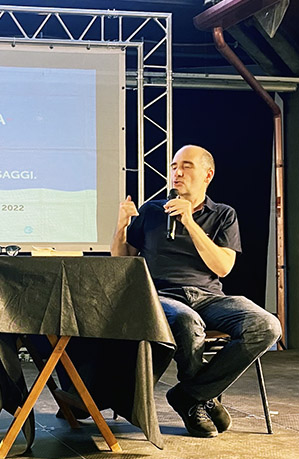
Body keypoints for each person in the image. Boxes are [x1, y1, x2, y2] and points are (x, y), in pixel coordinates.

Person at [110, 144, 281, 438]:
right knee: (187, 321)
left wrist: (189, 222)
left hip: (209, 297)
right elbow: (122, 262)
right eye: (174, 166)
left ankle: (190, 395)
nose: (177, 172)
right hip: (160, 297)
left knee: (267, 326)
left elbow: (223, 267)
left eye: (186, 166)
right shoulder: (152, 211)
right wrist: (122, 225)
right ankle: (202, 399)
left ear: (208, 174)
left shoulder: (224, 214)